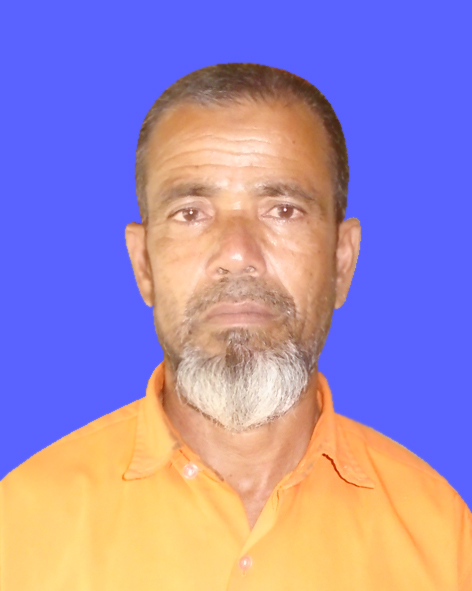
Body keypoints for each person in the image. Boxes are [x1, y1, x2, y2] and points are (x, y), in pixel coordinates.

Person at [1, 63, 470, 590]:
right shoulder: (18, 527)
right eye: (191, 213)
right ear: (143, 264)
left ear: (342, 261)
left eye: (283, 210)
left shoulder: (444, 537)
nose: (238, 253)